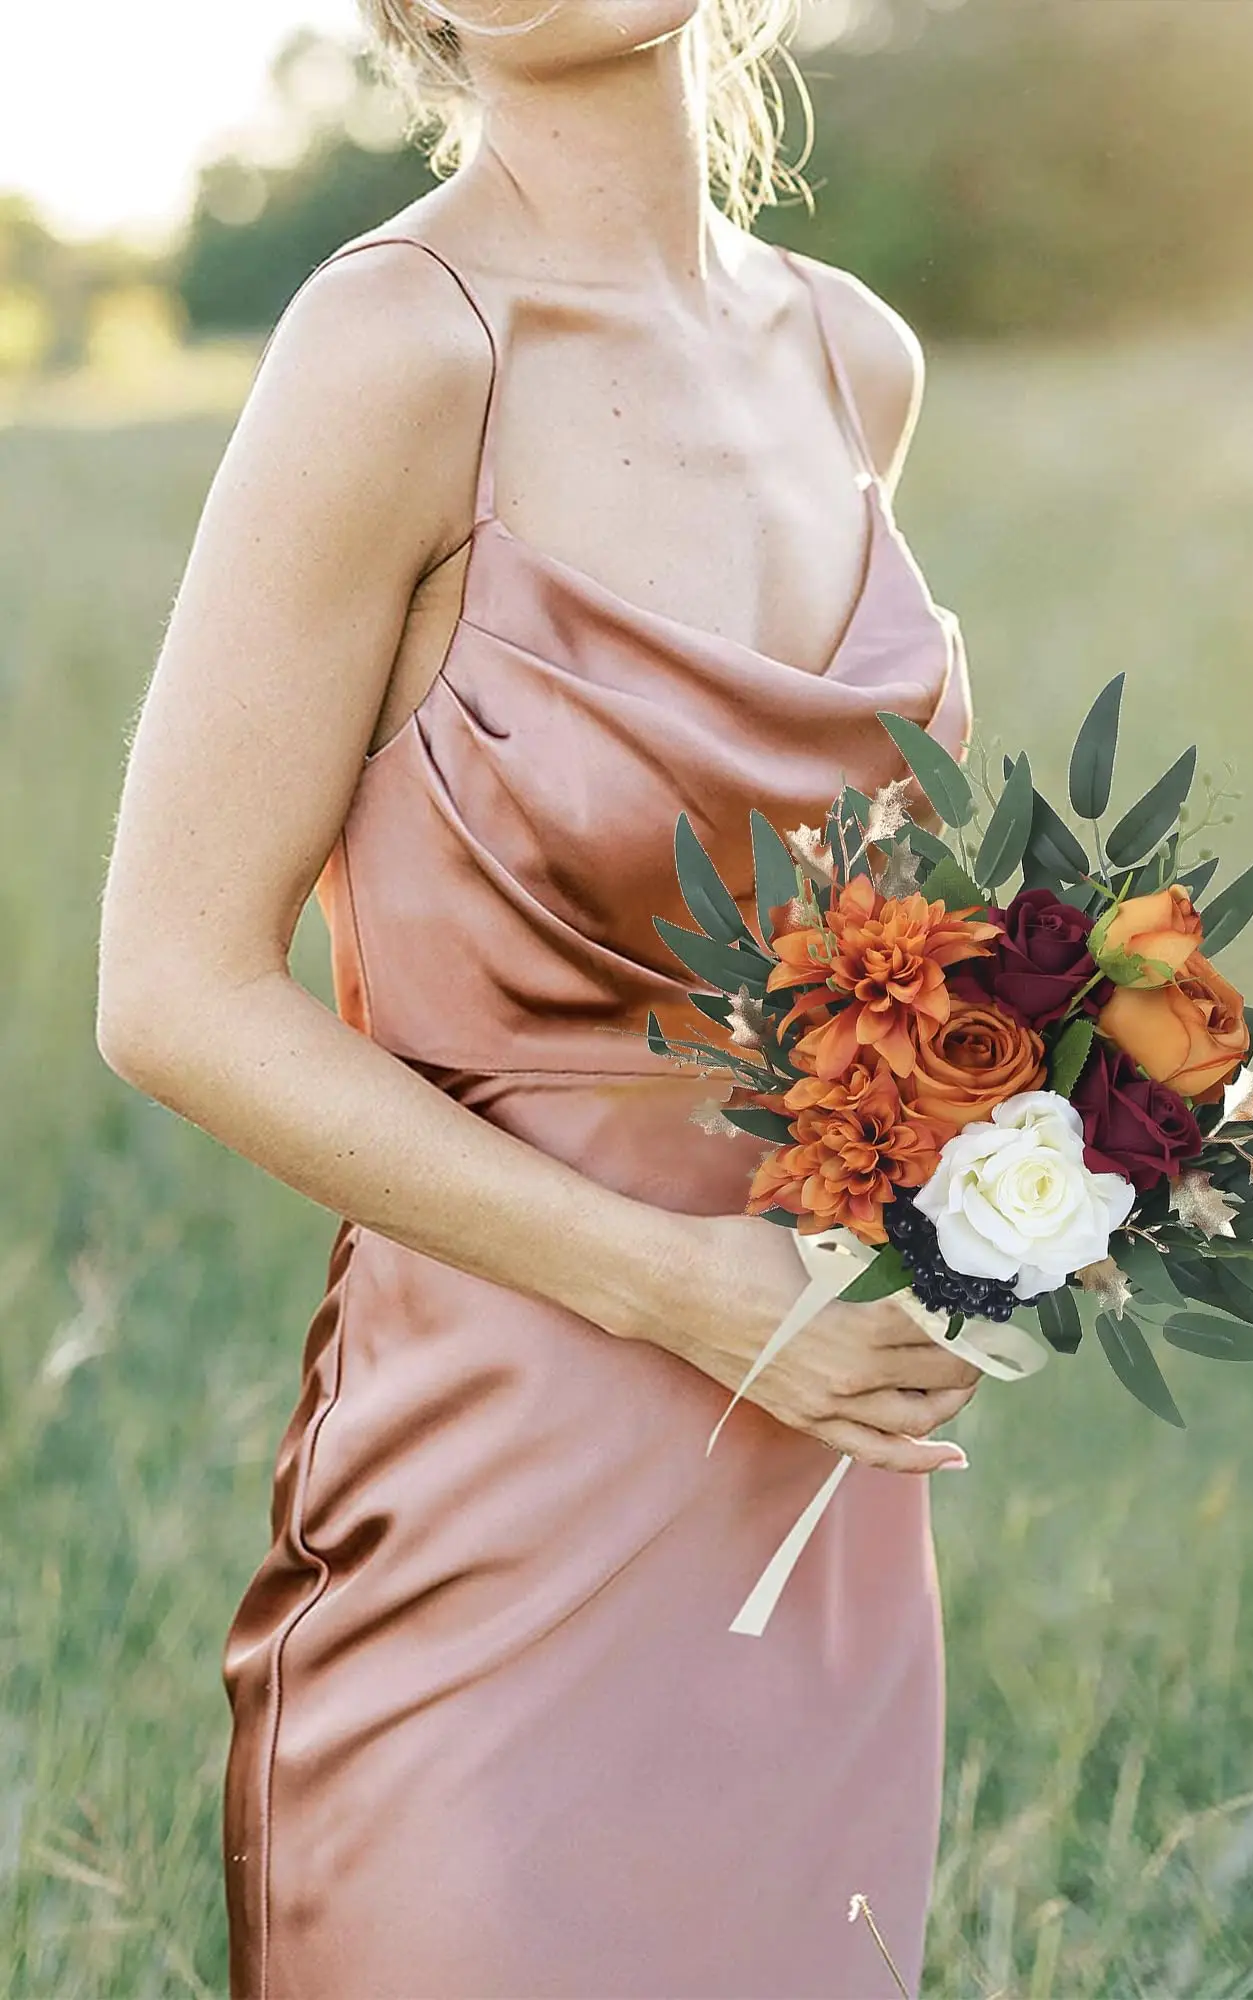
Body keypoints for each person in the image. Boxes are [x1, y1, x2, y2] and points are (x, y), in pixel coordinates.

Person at [95, 3, 983, 1993]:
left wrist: (1031, 1177)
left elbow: (863, 957)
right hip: (499, 1478)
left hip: (806, 1506)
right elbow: (169, 987)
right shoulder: (401, 347)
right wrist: (684, 1292)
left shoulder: (854, 356)